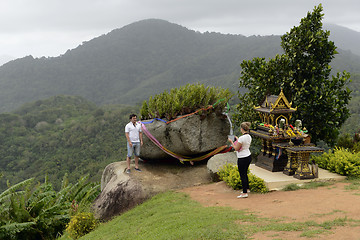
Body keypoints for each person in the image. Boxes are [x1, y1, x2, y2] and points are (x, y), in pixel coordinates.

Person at [228, 122, 252, 198]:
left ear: (241, 129)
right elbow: (243, 144)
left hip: (242, 157)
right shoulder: (249, 136)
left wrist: (232, 142)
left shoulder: (242, 138)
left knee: (242, 174)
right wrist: (238, 139)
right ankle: (247, 188)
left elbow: (236, 148)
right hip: (248, 155)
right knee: (245, 173)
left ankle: (244, 193)